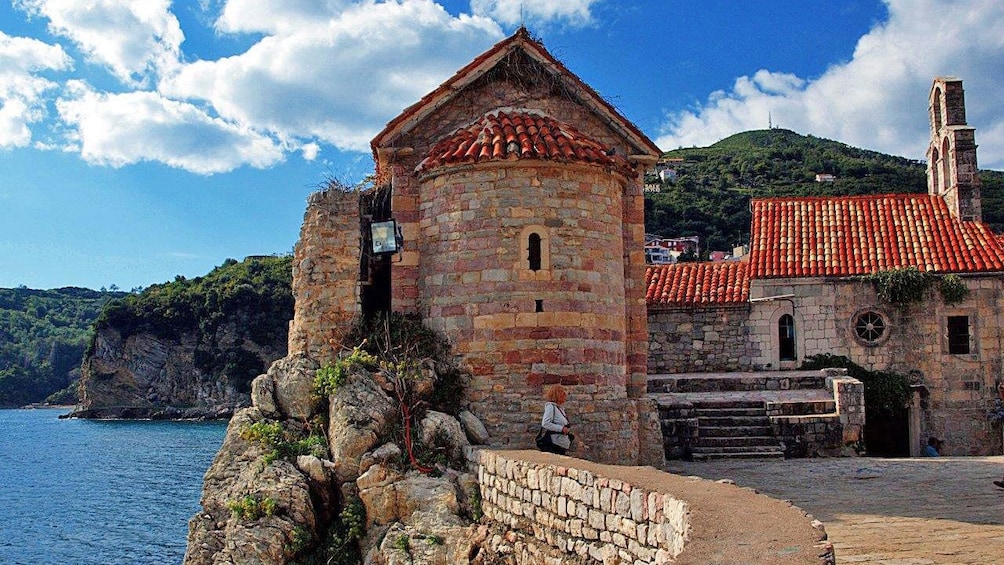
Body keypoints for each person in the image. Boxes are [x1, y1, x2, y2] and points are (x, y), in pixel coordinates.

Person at [540, 384, 572, 455]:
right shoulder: (551, 407)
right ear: (558, 395)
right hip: (553, 443)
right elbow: (545, 423)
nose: (565, 396)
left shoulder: (560, 408)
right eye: (563, 394)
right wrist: (561, 429)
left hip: (560, 443)